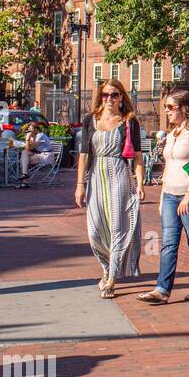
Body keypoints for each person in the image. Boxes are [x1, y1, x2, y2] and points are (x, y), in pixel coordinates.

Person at [139, 89, 189, 304]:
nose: (167, 111)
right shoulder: (172, 134)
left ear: (184, 108)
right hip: (170, 194)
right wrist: (163, 197)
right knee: (169, 243)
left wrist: (188, 195)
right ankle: (162, 290)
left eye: (170, 107)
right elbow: (169, 167)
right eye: (165, 107)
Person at [75, 79, 145, 298]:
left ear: (122, 97)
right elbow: (84, 154)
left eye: (114, 95)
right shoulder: (90, 120)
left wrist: (140, 182)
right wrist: (80, 185)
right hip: (96, 176)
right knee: (95, 228)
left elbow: (138, 156)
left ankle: (112, 278)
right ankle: (105, 268)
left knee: (118, 226)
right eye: (105, 95)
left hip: (119, 175)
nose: (109, 99)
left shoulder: (128, 121)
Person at [14, 122, 56, 188]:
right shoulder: (34, 136)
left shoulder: (40, 135)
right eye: (28, 130)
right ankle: (24, 175)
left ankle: (25, 181)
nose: (28, 131)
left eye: (30, 130)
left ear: (36, 130)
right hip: (39, 154)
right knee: (24, 153)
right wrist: (30, 138)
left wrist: (27, 139)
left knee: (23, 159)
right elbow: (28, 149)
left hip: (46, 156)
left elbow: (29, 148)